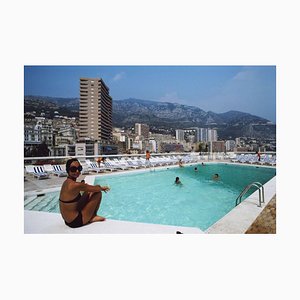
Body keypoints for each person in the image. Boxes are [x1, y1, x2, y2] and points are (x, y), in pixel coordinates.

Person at [59, 158, 110, 228]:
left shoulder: (66, 183)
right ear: (68, 170)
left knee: (88, 192)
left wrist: (85, 188)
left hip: (68, 220)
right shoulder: (75, 185)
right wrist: (102, 188)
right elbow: (96, 189)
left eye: (79, 168)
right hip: (76, 221)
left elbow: (86, 190)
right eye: (73, 169)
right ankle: (92, 216)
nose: (77, 171)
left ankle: (89, 216)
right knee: (97, 193)